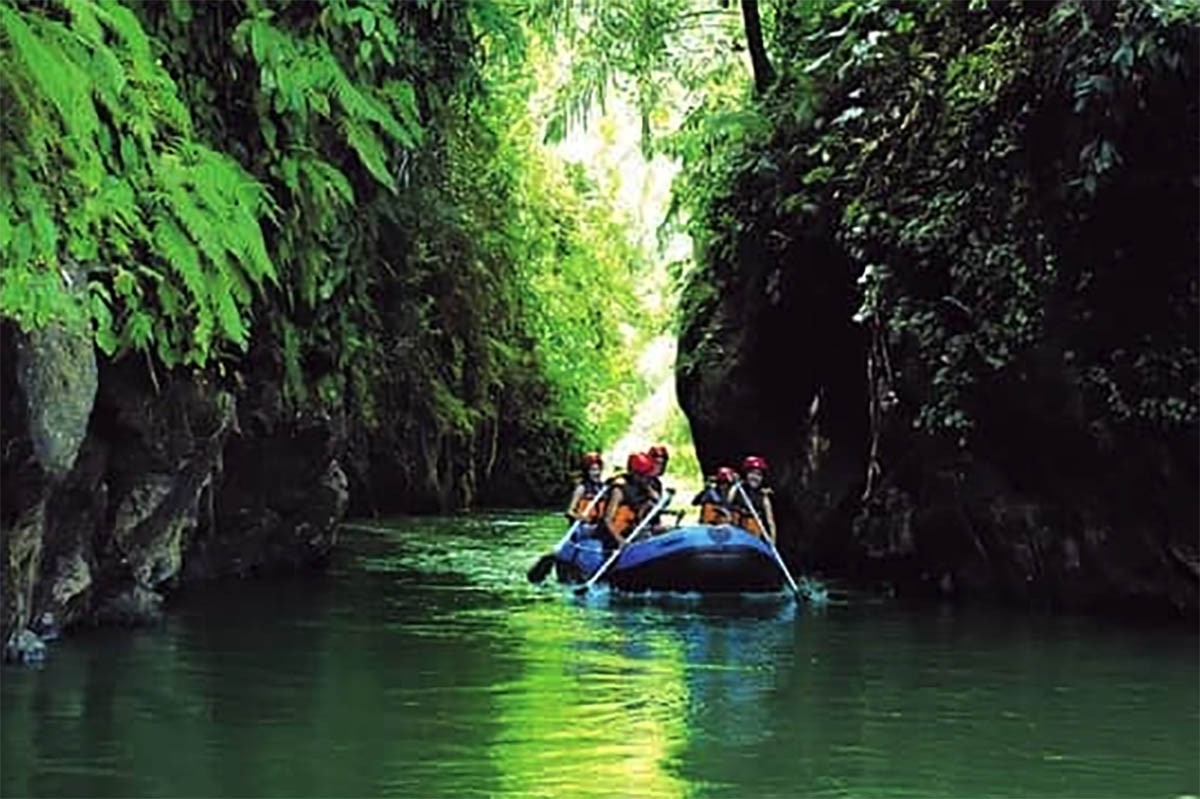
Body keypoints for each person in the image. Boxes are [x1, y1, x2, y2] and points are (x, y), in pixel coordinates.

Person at [599, 452, 658, 551]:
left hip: (633, 530)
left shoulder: (645, 487)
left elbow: (656, 503)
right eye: (642, 475)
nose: (646, 478)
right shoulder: (618, 491)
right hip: (615, 535)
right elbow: (607, 519)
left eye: (647, 474)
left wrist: (649, 490)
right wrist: (620, 540)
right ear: (633, 473)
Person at [731, 455, 777, 541]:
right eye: (752, 473)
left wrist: (772, 542)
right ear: (746, 474)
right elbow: (727, 506)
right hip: (735, 533)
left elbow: (770, 523)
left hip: (751, 537)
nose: (755, 477)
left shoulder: (763, 497)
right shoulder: (738, 489)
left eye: (758, 475)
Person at [565, 452, 606, 524]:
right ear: (587, 471)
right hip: (584, 526)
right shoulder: (581, 488)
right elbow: (569, 512)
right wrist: (581, 518)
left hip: (597, 526)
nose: (597, 473)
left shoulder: (603, 488)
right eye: (593, 470)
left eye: (598, 469)